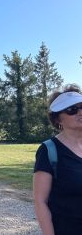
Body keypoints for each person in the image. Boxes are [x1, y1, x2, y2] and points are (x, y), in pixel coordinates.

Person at [33, 83, 82, 235]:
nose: (80, 112)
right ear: (58, 119)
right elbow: (40, 202)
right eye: (72, 110)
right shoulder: (49, 151)